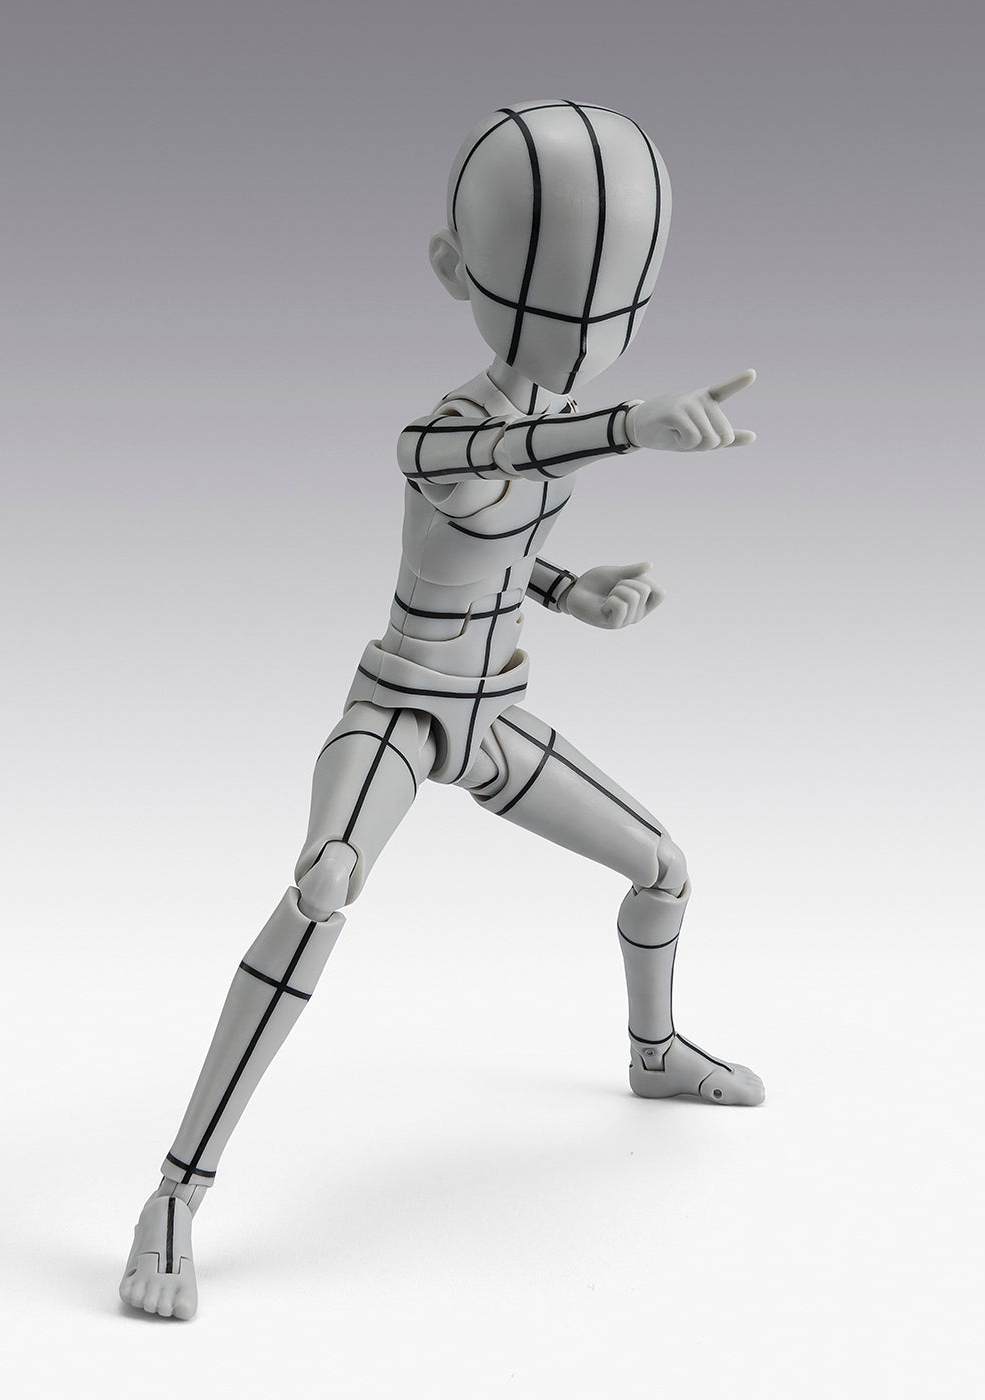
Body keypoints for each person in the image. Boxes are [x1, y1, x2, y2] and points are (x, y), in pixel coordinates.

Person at [120, 98, 763, 1321]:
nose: (582, 338)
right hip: (402, 713)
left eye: (610, 311)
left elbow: (506, 537)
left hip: (498, 718)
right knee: (322, 886)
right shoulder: (440, 430)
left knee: (665, 866)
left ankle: (654, 1051)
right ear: (455, 271)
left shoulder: (546, 428)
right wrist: (633, 426)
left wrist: (576, 595)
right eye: (557, 302)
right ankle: (175, 1192)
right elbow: (484, 471)